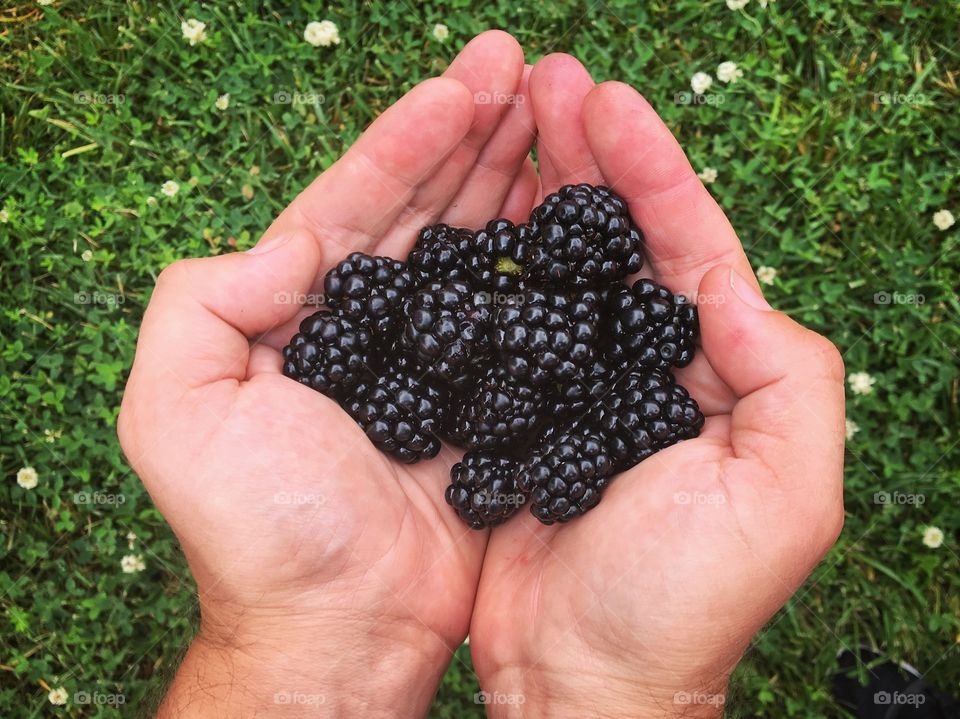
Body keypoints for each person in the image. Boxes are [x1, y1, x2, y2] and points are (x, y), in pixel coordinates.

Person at [118, 31, 846, 718]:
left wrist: (298, 635)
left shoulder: (554, 352)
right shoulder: (483, 347)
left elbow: (549, 376)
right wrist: (618, 688)